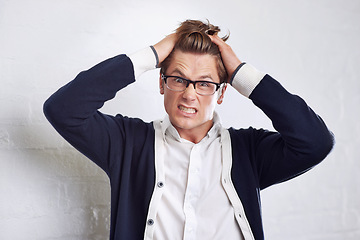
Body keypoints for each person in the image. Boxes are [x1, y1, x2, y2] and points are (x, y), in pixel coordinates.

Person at [43, 19, 334, 240]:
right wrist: (154, 54)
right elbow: (63, 109)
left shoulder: (248, 151)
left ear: (221, 93)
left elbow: (316, 142)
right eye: (178, 79)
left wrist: (241, 74)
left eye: (205, 83)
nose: (189, 94)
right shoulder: (127, 143)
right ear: (161, 83)